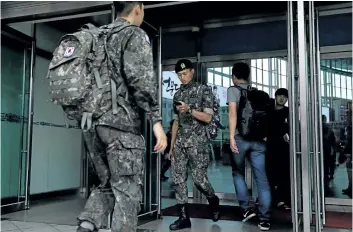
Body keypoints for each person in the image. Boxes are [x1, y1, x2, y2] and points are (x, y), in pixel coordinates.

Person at [76, 2, 167, 232]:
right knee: (127, 190)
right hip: (120, 127)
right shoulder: (133, 34)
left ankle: (85, 227)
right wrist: (156, 122)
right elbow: (141, 81)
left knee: (107, 184)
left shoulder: (96, 36)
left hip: (91, 125)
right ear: (138, 8)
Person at [168, 59, 220, 231]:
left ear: (192, 71)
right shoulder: (177, 95)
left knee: (199, 181)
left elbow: (208, 118)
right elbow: (175, 122)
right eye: (179, 75)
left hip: (197, 143)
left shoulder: (204, 90)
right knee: (178, 181)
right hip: (180, 143)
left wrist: (190, 110)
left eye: (184, 73)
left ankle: (213, 200)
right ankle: (183, 217)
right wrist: (171, 146)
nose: (182, 77)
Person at [227, 62, 271, 231]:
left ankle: (246, 209)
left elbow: (232, 113)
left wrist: (231, 137)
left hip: (241, 138)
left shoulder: (233, 90)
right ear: (248, 76)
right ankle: (265, 219)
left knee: (237, 172)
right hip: (259, 141)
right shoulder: (256, 92)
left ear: (234, 76)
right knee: (262, 179)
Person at [266, 88, 291, 210]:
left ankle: (282, 200)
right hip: (269, 147)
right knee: (269, 174)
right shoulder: (268, 110)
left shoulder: (288, 112)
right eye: (280, 96)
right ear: (275, 96)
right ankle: (270, 199)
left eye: (285, 97)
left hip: (283, 148)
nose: (282, 98)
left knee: (283, 174)